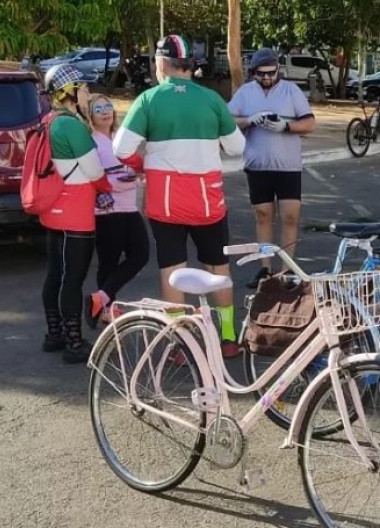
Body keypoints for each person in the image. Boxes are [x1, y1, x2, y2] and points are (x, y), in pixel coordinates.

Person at [114, 35, 246, 358]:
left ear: (161, 64)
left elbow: (120, 149)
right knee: (218, 268)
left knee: (172, 271)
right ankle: (228, 337)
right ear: (190, 66)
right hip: (208, 202)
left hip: (166, 203)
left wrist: (144, 163)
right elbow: (237, 147)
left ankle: (179, 342)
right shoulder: (212, 100)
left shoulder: (149, 100)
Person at [228, 48, 316, 288]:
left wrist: (286, 126)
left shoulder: (291, 90)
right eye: (261, 74)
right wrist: (249, 120)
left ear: (278, 70)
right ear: (253, 72)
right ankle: (265, 269)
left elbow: (309, 122)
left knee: (290, 217)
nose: (267, 78)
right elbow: (226, 120)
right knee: (263, 215)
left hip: (288, 167)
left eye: (271, 73)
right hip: (258, 166)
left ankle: (287, 270)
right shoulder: (245, 93)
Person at [38, 64, 108, 364]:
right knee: (73, 279)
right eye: (84, 88)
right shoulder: (70, 125)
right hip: (76, 214)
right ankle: (74, 343)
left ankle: (54, 334)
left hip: (54, 210)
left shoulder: (49, 120)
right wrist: (105, 187)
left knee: (56, 274)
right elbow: (94, 170)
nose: (88, 93)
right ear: (71, 91)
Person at [84, 94, 149, 330]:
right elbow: (95, 177)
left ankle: (100, 299)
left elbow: (136, 167)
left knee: (140, 255)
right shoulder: (91, 141)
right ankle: (106, 308)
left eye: (108, 106)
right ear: (89, 115)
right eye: (98, 108)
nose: (105, 111)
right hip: (106, 211)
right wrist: (129, 180)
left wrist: (136, 174)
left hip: (129, 207)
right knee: (108, 262)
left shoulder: (120, 138)